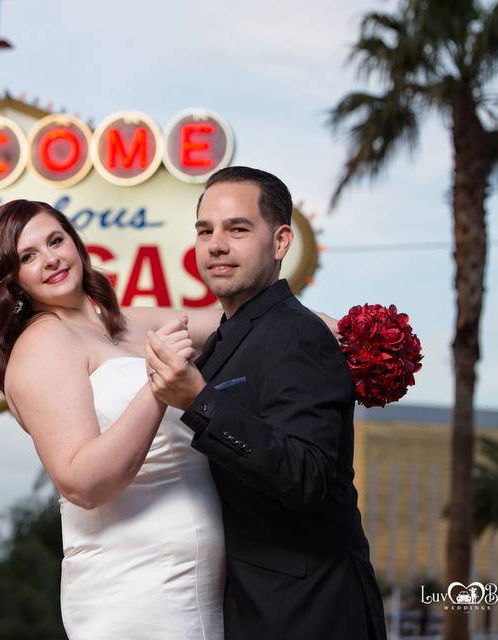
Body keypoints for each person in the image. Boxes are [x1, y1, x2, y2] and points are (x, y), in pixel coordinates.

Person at [0, 199, 230, 638]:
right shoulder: (43, 344)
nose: (50, 260)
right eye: (27, 257)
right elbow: (82, 483)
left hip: (203, 585)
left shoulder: (134, 323)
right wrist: (158, 387)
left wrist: (357, 333)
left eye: (55, 240)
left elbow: (249, 325)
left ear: (75, 243)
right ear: (11, 281)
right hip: (134, 590)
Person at [146, 166, 387, 639]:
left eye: (237, 229)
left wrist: (199, 400)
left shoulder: (297, 333)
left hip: (309, 611)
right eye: (205, 231)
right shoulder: (224, 339)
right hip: (252, 605)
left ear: (280, 243)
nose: (216, 244)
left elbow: (307, 475)